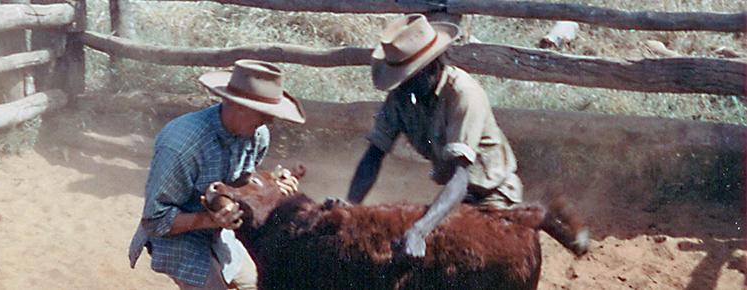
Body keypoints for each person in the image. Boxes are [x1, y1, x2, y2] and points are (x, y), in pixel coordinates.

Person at [346, 14, 587, 257]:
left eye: (408, 78)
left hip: (493, 196)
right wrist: (349, 209)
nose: (403, 85)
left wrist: (420, 230)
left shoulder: (463, 94)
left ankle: (543, 219)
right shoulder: (401, 99)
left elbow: (461, 178)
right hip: (457, 200)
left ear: (430, 67)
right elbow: (373, 156)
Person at [128, 59, 305, 289]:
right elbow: (155, 221)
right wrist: (209, 219)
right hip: (177, 238)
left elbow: (242, 185)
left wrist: (272, 186)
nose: (270, 120)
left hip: (218, 232)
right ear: (238, 105)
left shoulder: (258, 135)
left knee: (253, 284)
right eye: (264, 112)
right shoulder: (182, 145)